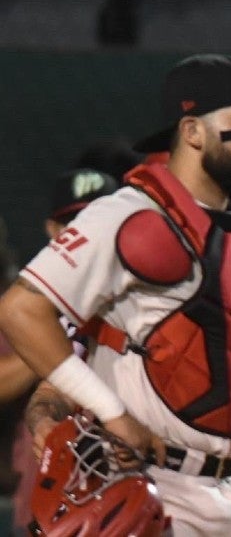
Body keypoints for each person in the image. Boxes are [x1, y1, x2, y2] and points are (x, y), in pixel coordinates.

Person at [0, 53, 231, 536]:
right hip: (146, 489)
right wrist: (110, 412)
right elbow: (22, 311)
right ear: (192, 131)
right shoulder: (131, 217)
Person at [0, 167, 119, 536]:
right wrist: (49, 343)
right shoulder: (26, 301)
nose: (86, 231)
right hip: (47, 481)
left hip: (125, 482)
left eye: (98, 218)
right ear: (54, 231)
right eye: (74, 221)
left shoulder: (134, 295)